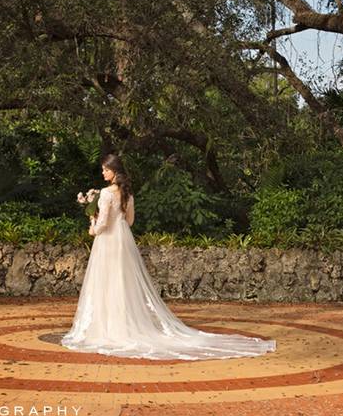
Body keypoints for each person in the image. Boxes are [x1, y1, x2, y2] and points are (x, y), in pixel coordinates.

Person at [60, 153, 277, 360]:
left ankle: (108, 328)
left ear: (114, 171)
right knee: (122, 283)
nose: (103, 173)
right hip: (123, 239)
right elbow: (131, 221)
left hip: (107, 241)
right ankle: (124, 325)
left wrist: (91, 222)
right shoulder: (127, 194)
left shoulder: (106, 194)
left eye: (105, 170)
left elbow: (102, 226)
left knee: (106, 283)